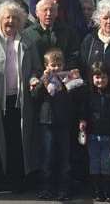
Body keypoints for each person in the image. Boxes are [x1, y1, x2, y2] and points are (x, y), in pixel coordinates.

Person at [0, 0, 41, 196]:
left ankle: (17, 182)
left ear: (20, 21)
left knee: (16, 142)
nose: (10, 21)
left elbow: (36, 68)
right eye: (7, 17)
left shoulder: (28, 42)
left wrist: (34, 79)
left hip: (19, 101)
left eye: (14, 18)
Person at [33, 48, 78, 200]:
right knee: (47, 157)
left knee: (64, 158)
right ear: (46, 66)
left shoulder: (67, 78)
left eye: (59, 65)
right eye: (53, 65)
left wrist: (73, 79)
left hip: (64, 122)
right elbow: (35, 95)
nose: (56, 68)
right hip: (47, 121)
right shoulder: (44, 78)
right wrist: (42, 81)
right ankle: (46, 188)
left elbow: (76, 94)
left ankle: (64, 189)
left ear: (63, 65)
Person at [80, 62, 110, 203]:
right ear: (92, 78)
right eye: (97, 77)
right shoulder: (89, 95)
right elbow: (84, 113)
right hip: (93, 136)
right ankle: (97, 191)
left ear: (109, 78)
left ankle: (108, 191)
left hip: (109, 137)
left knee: (107, 164)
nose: (100, 81)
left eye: (103, 77)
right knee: (94, 163)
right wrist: (82, 123)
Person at [26, 0, 80, 67]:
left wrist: (62, 70)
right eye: (45, 10)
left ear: (57, 13)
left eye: (52, 10)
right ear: (37, 13)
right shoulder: (28, 34)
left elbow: (74, 54)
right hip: (38, 76)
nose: (49, 13)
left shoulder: (68, 32)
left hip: (62, 75)